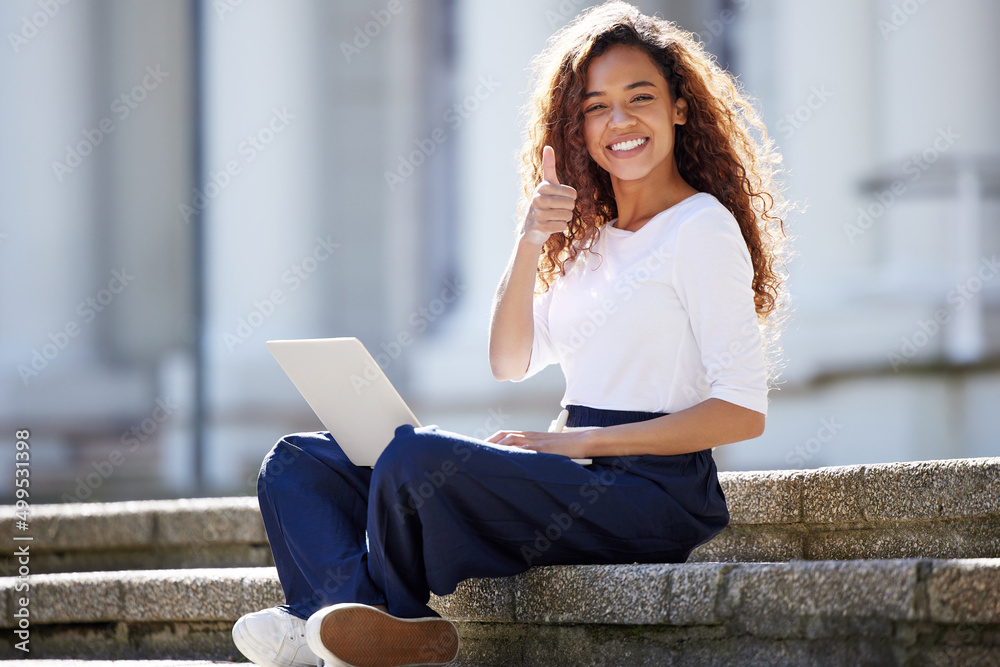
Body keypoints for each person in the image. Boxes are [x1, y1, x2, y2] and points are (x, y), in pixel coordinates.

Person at [232, 2, 790, 666]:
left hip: (654, 494)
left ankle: (349, 624)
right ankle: (364, 622)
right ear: (578, 128)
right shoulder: (590, 243)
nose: (619, 121)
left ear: (677, 109)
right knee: (299, 461)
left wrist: (577, 440)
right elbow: (508, 358)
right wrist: (529, 241)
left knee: (414, 460)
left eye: (639, 98)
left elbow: (742, 410)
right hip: (574, 474)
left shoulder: (701, 227)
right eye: (596, 107)